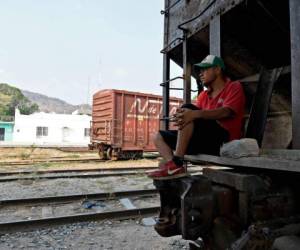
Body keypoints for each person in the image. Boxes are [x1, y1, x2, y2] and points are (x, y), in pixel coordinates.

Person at [148, 55, 245, 180]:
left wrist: (192, 114)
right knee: (157, 136)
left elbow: (226, 112)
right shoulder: (203, 95)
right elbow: (192, 119)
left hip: (224, 142)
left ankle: (176, 162)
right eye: (200, 71)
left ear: (217, 69)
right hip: (204, 141)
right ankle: (173, 166)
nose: (200, 74)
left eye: (205, 69)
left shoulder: (233, 86)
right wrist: (183, 115)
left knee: (188, 109)